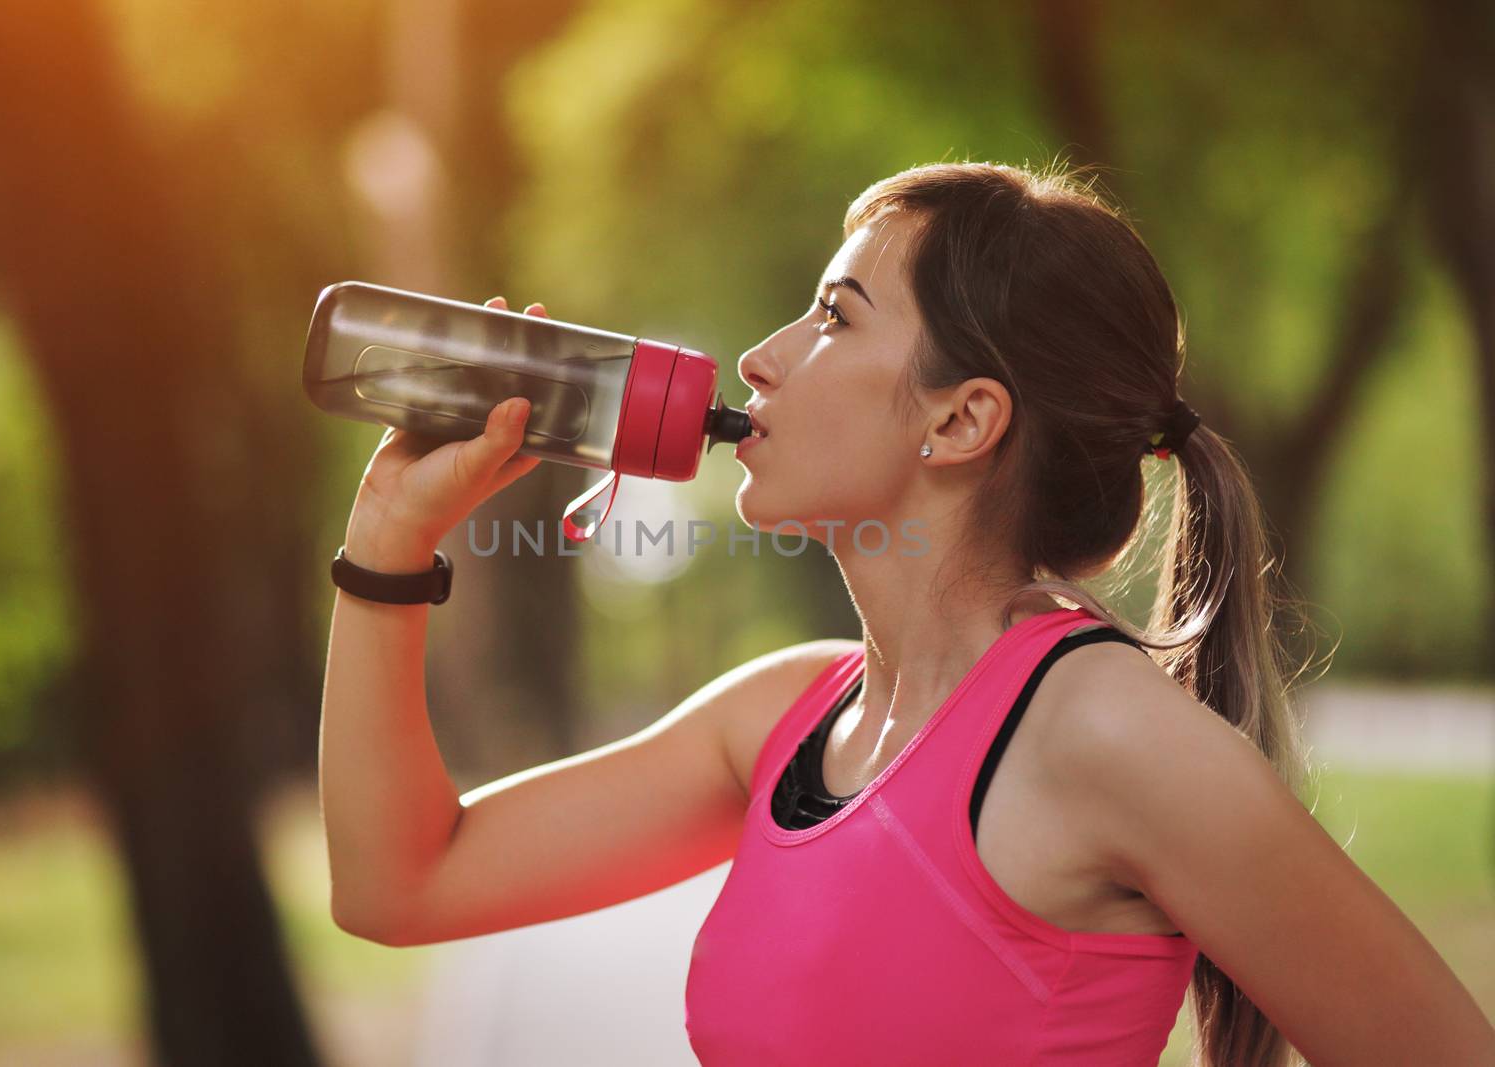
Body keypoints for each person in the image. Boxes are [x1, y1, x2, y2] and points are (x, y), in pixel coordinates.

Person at [319, 161, 1495, 1066]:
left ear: (959, 421)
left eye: (834, 317)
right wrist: (388, 539)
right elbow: (401, 883)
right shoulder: (785, 715)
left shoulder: (1102, 733)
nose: (762, 360)